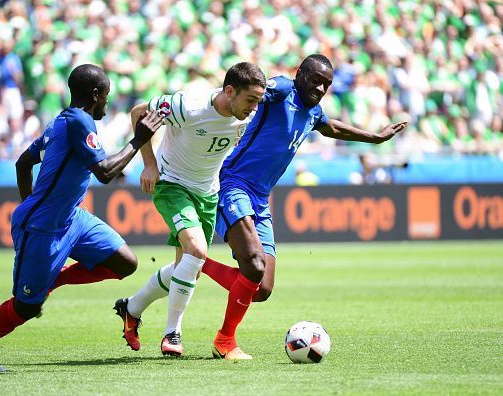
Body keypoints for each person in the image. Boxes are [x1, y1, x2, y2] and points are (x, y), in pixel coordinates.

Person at [117, 54, 407, 360]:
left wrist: (374, 137)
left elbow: (331, 127)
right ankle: (225, 340)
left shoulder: (313, 112)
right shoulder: (281, 89)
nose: (320, 88)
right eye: (315, 80)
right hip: (233, 184)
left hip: (260, 198)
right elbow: (244, 92)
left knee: (262, 287)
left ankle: (183, 271)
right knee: (251, 264)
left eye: (327, 84)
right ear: (299, 75)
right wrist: (224, 99)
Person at [0, 64, 164, 372]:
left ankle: (54, 277)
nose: (107, 106)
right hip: (42, 228)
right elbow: (104, 172)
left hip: (72, 219)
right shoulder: (80, 122)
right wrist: (138, 140)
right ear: (95, 95)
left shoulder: (59, 123)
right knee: (27, 307)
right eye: (106, 97)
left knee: (125, 262)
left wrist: (33, 201)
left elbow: (23, 163)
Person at [113, 62, 266, 358]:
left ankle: (131, 308)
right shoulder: (187, 106)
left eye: (258, 102)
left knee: (189, 270)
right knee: (196, 251)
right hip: (171, 184)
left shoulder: (247, 111)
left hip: (208, 192)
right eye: (250, 101)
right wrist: (148, 163)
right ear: (229, 91)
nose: (254, 108)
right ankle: (173, 333)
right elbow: (138, 113)